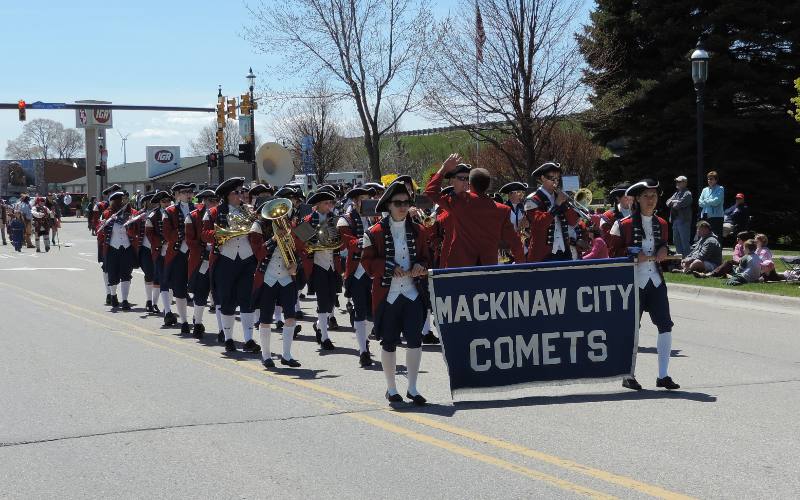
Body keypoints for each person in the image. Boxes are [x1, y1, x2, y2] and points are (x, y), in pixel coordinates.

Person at [362, 182, 430, 405]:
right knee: (389, 342)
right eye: (398, 203)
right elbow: (367, 263)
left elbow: (427, 257)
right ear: (388, 205)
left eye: (406, 202)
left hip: (412, 294)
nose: (403, 207)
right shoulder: (373, 233)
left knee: (415, 341)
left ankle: (412, 387)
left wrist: (421, 265)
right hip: (387, 296)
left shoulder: (419, 231)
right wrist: (389, 268)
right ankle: (391, 388)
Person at [609, 179, 680, 391]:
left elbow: (663, 245)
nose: (651, 200)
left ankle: (663, 375)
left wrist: (664, 250)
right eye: (647, 196)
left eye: (654, 196)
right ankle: (628, 374)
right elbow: (612, 254)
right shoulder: (621, 224)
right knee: (632, 329)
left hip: (656, 281)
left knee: (665, 326)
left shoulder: (662, 223)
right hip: (633, 282)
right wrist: (632, 254)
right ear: (637, 199)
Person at [424, 154, 523, 267]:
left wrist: (443, 169)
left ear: (470, 184)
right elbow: (515, 242)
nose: (464, 182)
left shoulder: (459, 202)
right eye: (461, 178)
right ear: (488, 186)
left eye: (466, 179)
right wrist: (521, 267)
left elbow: (431, 192)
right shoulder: (503, 210)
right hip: (487, 269)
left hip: (459, 270)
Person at [202, 177, 259, 353]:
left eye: (243, 191)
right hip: (225, 259)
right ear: (227, 195)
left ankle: (249, 340)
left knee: (247, 299)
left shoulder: (249, 211)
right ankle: (228, 338)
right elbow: (205, 234)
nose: (242, 195)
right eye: (237, 192)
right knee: (227, 300)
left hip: (247, 259)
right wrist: (223, 232)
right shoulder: (213, 212)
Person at [249, 196, 303, 369]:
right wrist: (273, 239)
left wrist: (297, 264)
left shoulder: (290, 225)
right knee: (265, 318)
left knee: (290, 317)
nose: (278, 216)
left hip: (287, 277)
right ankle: (266, 355)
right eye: (273, 213)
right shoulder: (258, 227)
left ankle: (286, 355)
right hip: (268, 278)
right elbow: (257, 254)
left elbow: (302, 248)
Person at [337, 186, 375, 367]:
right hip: (357, 270)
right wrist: (369, 240)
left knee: (373, 314)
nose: (366, 203)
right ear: (355, 201)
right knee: (361, 311)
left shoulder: (375, 218)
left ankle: (365, 339)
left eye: (368, 199)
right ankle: (363, 351)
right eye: (363, 199)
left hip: (374, 270)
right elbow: (349, 243)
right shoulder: (345, 220)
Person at [301, 190, 342, 350]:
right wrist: (312, 245)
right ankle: (325, 337)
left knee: (332, 300)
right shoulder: (308, 220)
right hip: (317, 264)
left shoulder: (335, 219)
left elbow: (341, 240)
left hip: (333, 264)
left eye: (331, 203)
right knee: (322, 301)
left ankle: (319, 325)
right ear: (317, 205)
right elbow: (301, 244)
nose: (330, 206)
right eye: (326, 203)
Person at [522, 162, 580, 262]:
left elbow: (573, 222)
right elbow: (539, 223)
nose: (555, 182)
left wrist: (565, 205)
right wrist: (556, 205)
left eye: (557, 178)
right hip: (542, 254)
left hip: (564, 252)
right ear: (543, 178)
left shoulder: (560, 196)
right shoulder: (532, 199)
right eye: (552, 178)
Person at [163, 182, 197, 334]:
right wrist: (183, 233)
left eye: (190, 191)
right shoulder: (169, 211)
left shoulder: (198, 209)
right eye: (184, 192)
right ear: (177, 195)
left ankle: (198, 318)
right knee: (179, 288)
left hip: (196, 252)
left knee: (199, 287)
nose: (188, 194)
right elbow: (167, 234)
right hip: (178, 254)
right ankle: (184, 321)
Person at [186, 189, 219, 339]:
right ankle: (197, 323)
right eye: (210, 200)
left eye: (215, 200)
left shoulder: (222, 214)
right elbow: (190, 241)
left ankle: (223, 330)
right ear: (204, 201)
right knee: (200, 292)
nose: (214, 203)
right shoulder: (193, 217)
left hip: (220, 258)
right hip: (202, 260)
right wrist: (204, 250)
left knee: (220, 295)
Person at [99, 191, 138, 310]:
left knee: (126, 274)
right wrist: (104, 224)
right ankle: (113, 295)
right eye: (122, 200)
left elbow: (135, 232)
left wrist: (131, 224)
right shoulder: (107, 214)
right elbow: (99, 229)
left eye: (125, 199)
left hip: (126, 248)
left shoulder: (132, 213)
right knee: (112, 274)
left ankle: (125, 299)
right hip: (112, 248)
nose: (124, 202)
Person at [129, 192, 158, 312]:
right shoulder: (140, 214)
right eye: (149, 200)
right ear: (145, 202)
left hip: (159, 249)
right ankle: (149, 300)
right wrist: (131, 223)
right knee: (149, 275)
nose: (152, 202)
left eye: (153, 200)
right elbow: (132, 232)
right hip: (145, 249)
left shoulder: (161, 213)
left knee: (158, 277)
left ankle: (155, 303)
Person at [145, 192, 172, 316]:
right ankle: (155, 304)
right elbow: (150, 235)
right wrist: (163, 241)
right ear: (160, 203)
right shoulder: (153, 216)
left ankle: (163, 305)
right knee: (160, 278)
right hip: (159, 250)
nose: (167, 203)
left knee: (171, 280)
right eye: (164, 201)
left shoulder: (174, 212)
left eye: (168, 200)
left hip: (174, 250)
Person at [665, 175, 693, 257]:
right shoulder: (676, 193)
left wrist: (673, 202)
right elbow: (667, 202)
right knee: (676, 241)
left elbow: (677, 205)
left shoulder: (687, 193)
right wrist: (675, 201)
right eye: (676, 181)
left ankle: (687, 261)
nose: (677, 183)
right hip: (675, 220)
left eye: (679, 181)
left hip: (684, 221)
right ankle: (679, 260)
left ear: (685, 183)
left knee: (684, 242)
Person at [698, 170, 724, 238]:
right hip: (704, 215)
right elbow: (700, 203)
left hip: (716, 216)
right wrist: (709, 201)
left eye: (711, 179)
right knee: (704, 235)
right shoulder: (704, 190)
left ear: (716, 180)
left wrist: (705, 201)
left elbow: (716, 202)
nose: (709, 180)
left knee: (716, 235)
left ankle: (717, 249)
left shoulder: (720, 188)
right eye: (708, 179)